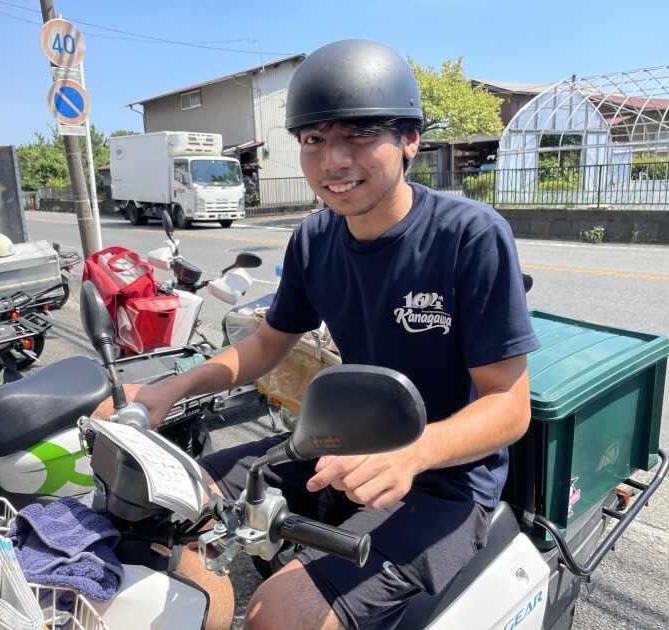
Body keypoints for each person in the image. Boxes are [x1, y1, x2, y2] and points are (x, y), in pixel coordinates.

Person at [95, 39, 539, 630]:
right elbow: (266, 344)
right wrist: (171, 389)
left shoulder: (469, 237)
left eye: (357, 134)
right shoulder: (315, 238)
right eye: (313, 139)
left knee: (279, 613)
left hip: (446, 481)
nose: (332, 160)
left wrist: (417, 451)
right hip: (339, 444)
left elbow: (509, 406)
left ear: (409, 140)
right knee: (172, 505)